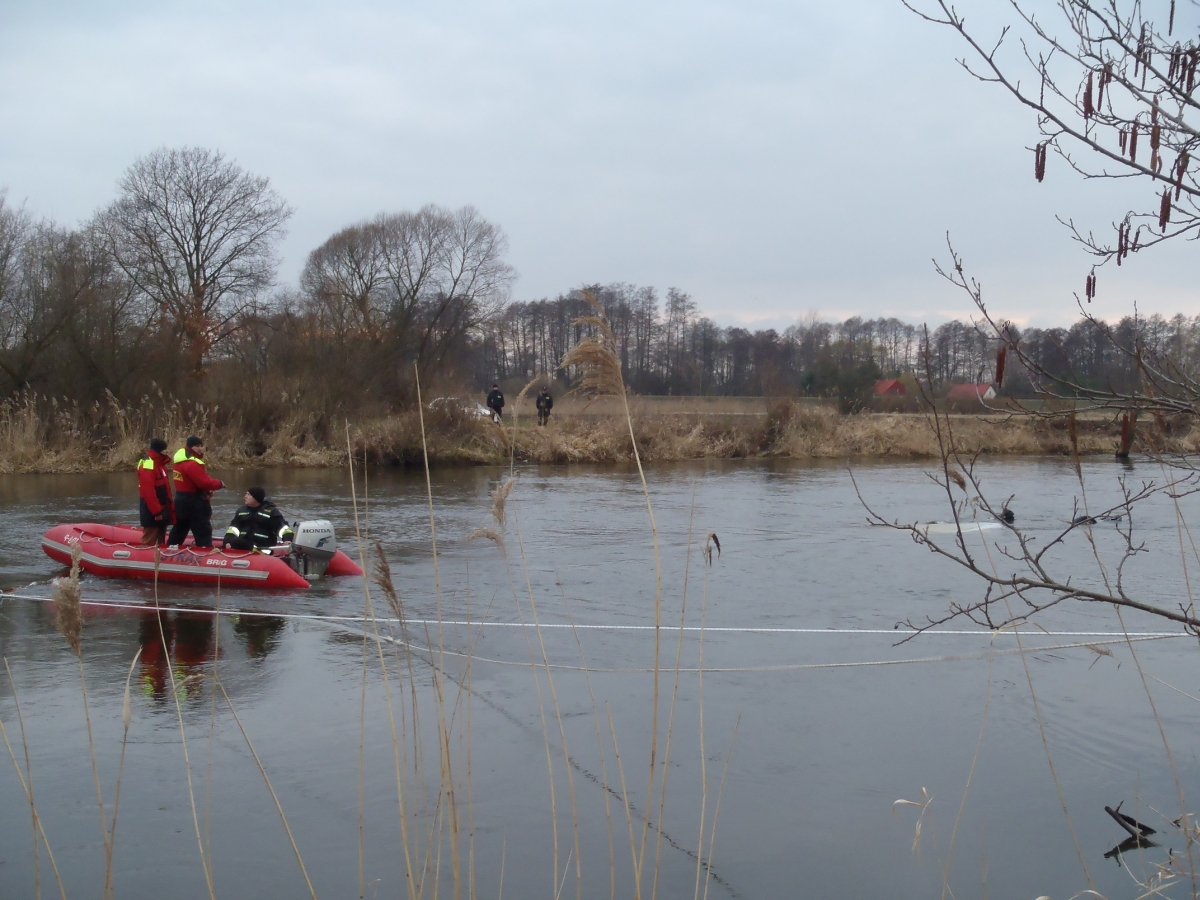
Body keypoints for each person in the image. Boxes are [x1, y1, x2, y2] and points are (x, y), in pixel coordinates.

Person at [167, 436, 224, 548]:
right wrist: (219, 484)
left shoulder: (178, 461)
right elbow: (204, 482)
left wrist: (206, 490)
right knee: (202, 529)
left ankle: (170, 549)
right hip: (194, 502)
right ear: (190, 447)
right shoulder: (192, 464)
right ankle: (205, 551)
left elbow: (190, 481)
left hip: (181, 499)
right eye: (197, 446)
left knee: (180, 527)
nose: (200, 448)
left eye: (201, 446)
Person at [223, 487, 293, 551]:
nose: (245, 496)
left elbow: (282, 528)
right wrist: (228, 540)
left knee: (237, 541)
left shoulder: (270, 512)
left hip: (263, 548)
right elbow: (233, 529)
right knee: (236, 541)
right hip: (244, 545)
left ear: (256, 498)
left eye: (248, 495)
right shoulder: (241, 511)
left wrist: (287, 539)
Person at [137, 438, 174, 545]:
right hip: (153, 511)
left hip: (162, 508)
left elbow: (166, 489)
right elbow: (149, 492)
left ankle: (159, 554)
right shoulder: (148, 465)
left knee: (161, 540)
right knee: (150, 539)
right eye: (165, 449)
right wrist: (156, 512)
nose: (167, 451)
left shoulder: (160, 465)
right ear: (159, 450)